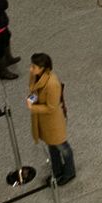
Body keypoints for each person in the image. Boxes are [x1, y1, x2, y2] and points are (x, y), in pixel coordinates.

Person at [26, 53, 75, 185]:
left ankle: (70, 172)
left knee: (62, 147)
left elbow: (51, 107)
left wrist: (33, 107)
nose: (31, 69)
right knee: (51, 147)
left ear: (42, 68)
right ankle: (57, 171)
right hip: (44, 121)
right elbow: (34, 92)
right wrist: (31, 99)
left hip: (53, 122)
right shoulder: (35, 76)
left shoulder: (52, 84)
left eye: (34, 67)